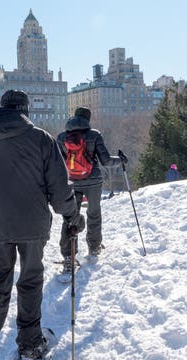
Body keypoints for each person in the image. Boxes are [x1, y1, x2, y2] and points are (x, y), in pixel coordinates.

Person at [0, 90, 84, 360]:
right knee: (29, 280)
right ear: (25, 111)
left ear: (2, 109)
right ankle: (29, 343)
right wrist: (73, 215)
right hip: (32, 224)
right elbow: (61, 190)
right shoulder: (40, 139)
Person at [56, 107, 124, 271]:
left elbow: (57, 164)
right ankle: (94, 248)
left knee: (70, 217)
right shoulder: (94, 135)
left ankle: (68, 256)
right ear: (88, 119)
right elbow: (106, 161)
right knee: (93, 214)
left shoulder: (62, 137)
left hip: (71, 182)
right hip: (93, 182)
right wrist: (120, 160)